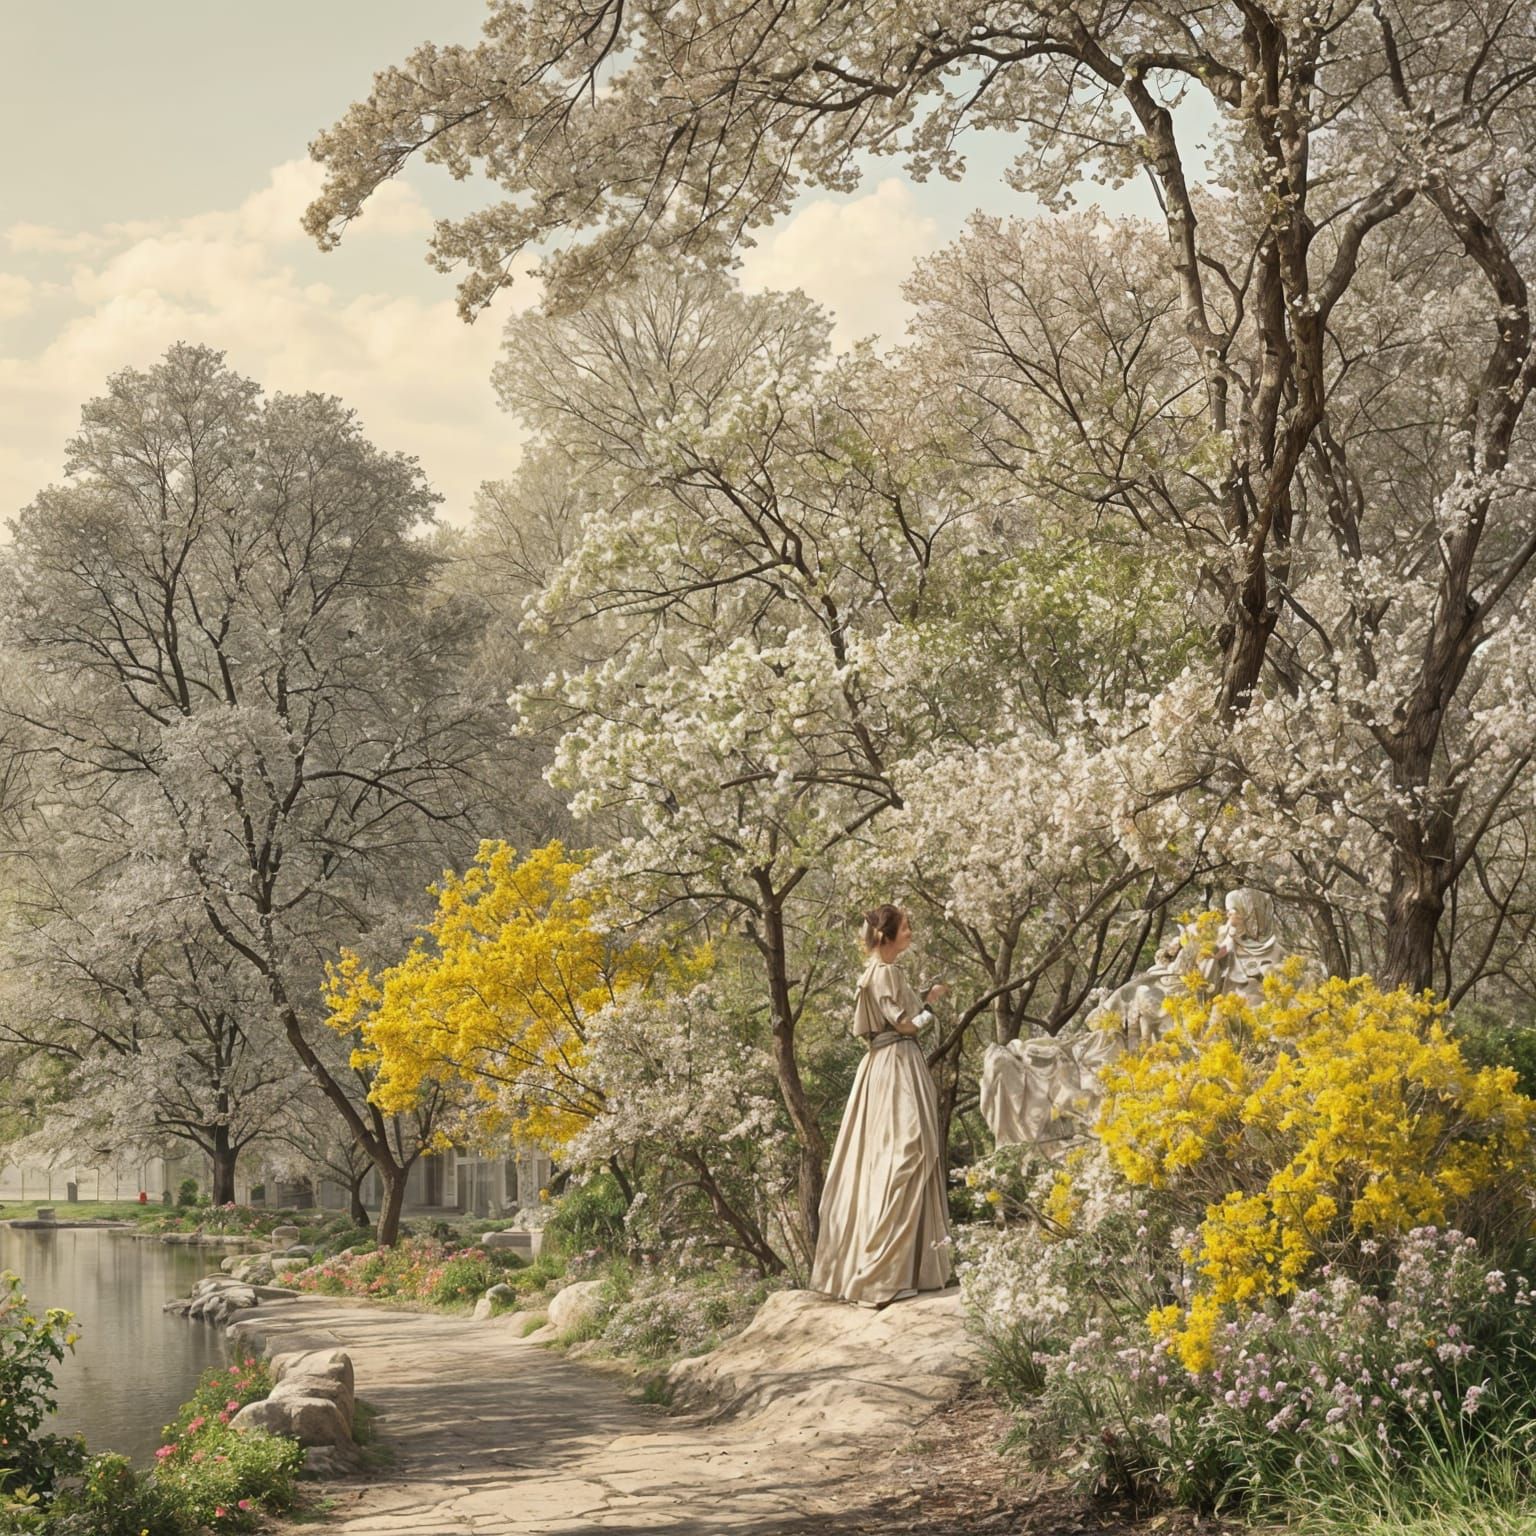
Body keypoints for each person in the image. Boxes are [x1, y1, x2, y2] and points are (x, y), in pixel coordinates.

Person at [811, 903, 955, 1308]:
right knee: (910, 1150)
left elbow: (897, 1012)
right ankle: (882, 1269)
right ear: (884, 936)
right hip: (896, 1067)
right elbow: (906, 1024)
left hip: (883, 1066)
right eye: (906, 927)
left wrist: (925, 996)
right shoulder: (886, 972)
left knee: (882, 1157)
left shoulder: (880, 973)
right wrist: (930, 1008)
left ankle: (901, 1267)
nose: (910, 932)